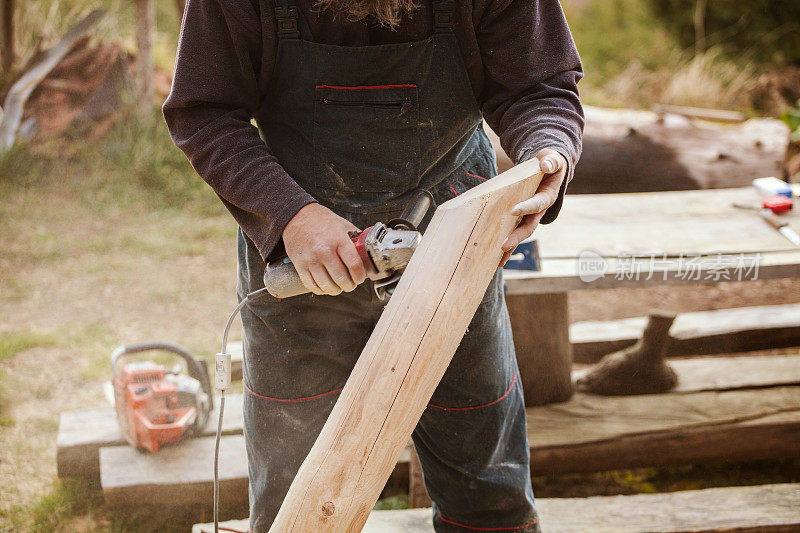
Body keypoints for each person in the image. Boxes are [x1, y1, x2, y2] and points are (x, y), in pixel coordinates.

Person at [164, 0, 583, 530]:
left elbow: (540, 88)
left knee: (488, 490)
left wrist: (548, 152)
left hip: (453, 250)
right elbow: (203, 112)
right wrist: (289, 214)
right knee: (296, 501)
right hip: (301, 262)